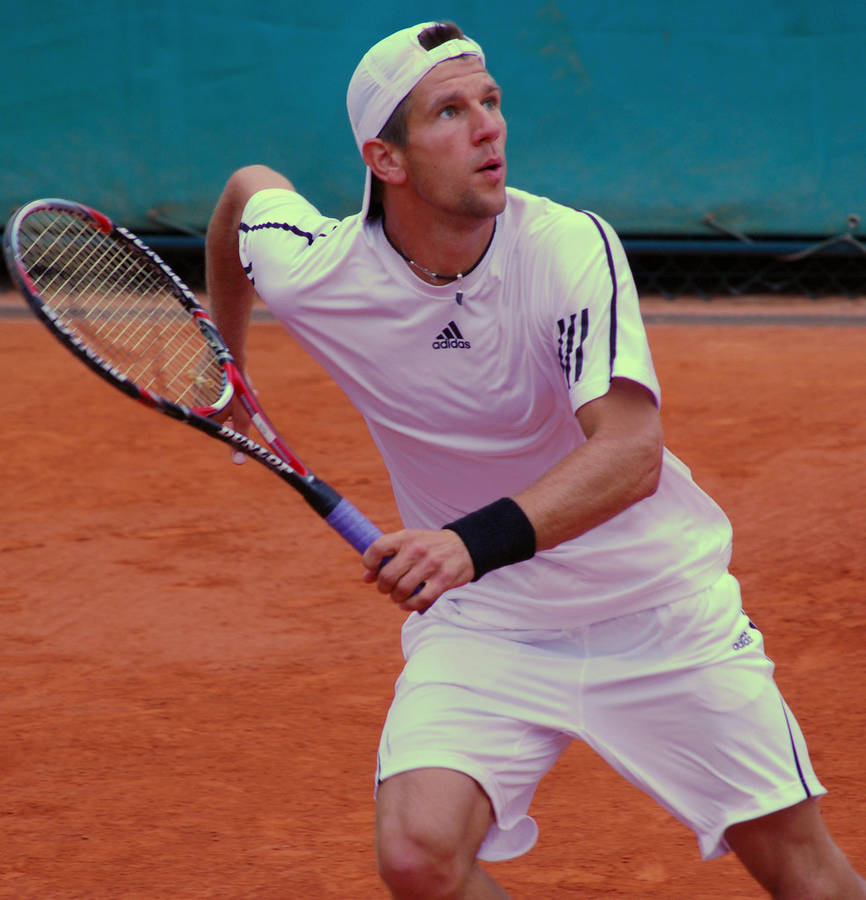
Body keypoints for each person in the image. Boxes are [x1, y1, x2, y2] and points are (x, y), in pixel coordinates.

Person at [205, 21, 865, 900]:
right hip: (489, 627)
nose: (489, 127)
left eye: (492, 101)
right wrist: (231, 365)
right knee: (417, 855)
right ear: (386, 160)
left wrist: (466, 545)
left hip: (655, 608)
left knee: (809, 878)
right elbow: (247, 194)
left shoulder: (564, 247)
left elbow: (631, 453)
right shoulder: (322, 273)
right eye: (451, 110)